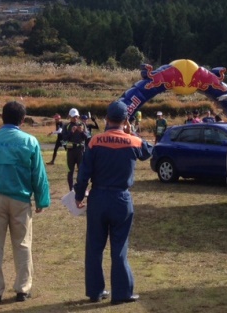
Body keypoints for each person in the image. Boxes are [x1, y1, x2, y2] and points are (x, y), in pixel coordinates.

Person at [0, 101, 50, 304]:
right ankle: (22, 289)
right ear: (22, 120)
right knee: (22, 244)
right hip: (21, 199)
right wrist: (41, 199)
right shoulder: (30, 141)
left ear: (2, 117)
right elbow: (38, 174)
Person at [74, 100, 153, 305]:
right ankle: (121, 294)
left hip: (98, 197)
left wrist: (78, 195)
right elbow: (149, 150)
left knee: (94, 246)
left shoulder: (94, 141)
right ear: (125, 120)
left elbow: (84, 173)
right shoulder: (132, 141)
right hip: (121, 199)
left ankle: (95, 291)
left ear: (106, 119)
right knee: (119, 247)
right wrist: (131, 132)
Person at [62, 108, 89, 191]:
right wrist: (71, 132)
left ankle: (80, 188)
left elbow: (87, 138)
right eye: (73, 117)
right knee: (70, 171)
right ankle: (71, 189)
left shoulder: (82, 125)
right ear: (70, 116)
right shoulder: (66, 126)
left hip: (80, 151)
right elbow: (63, 140)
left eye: (76, 116)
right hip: (70, 151)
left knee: (81, 171)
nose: (75, 118)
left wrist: (82, 132)